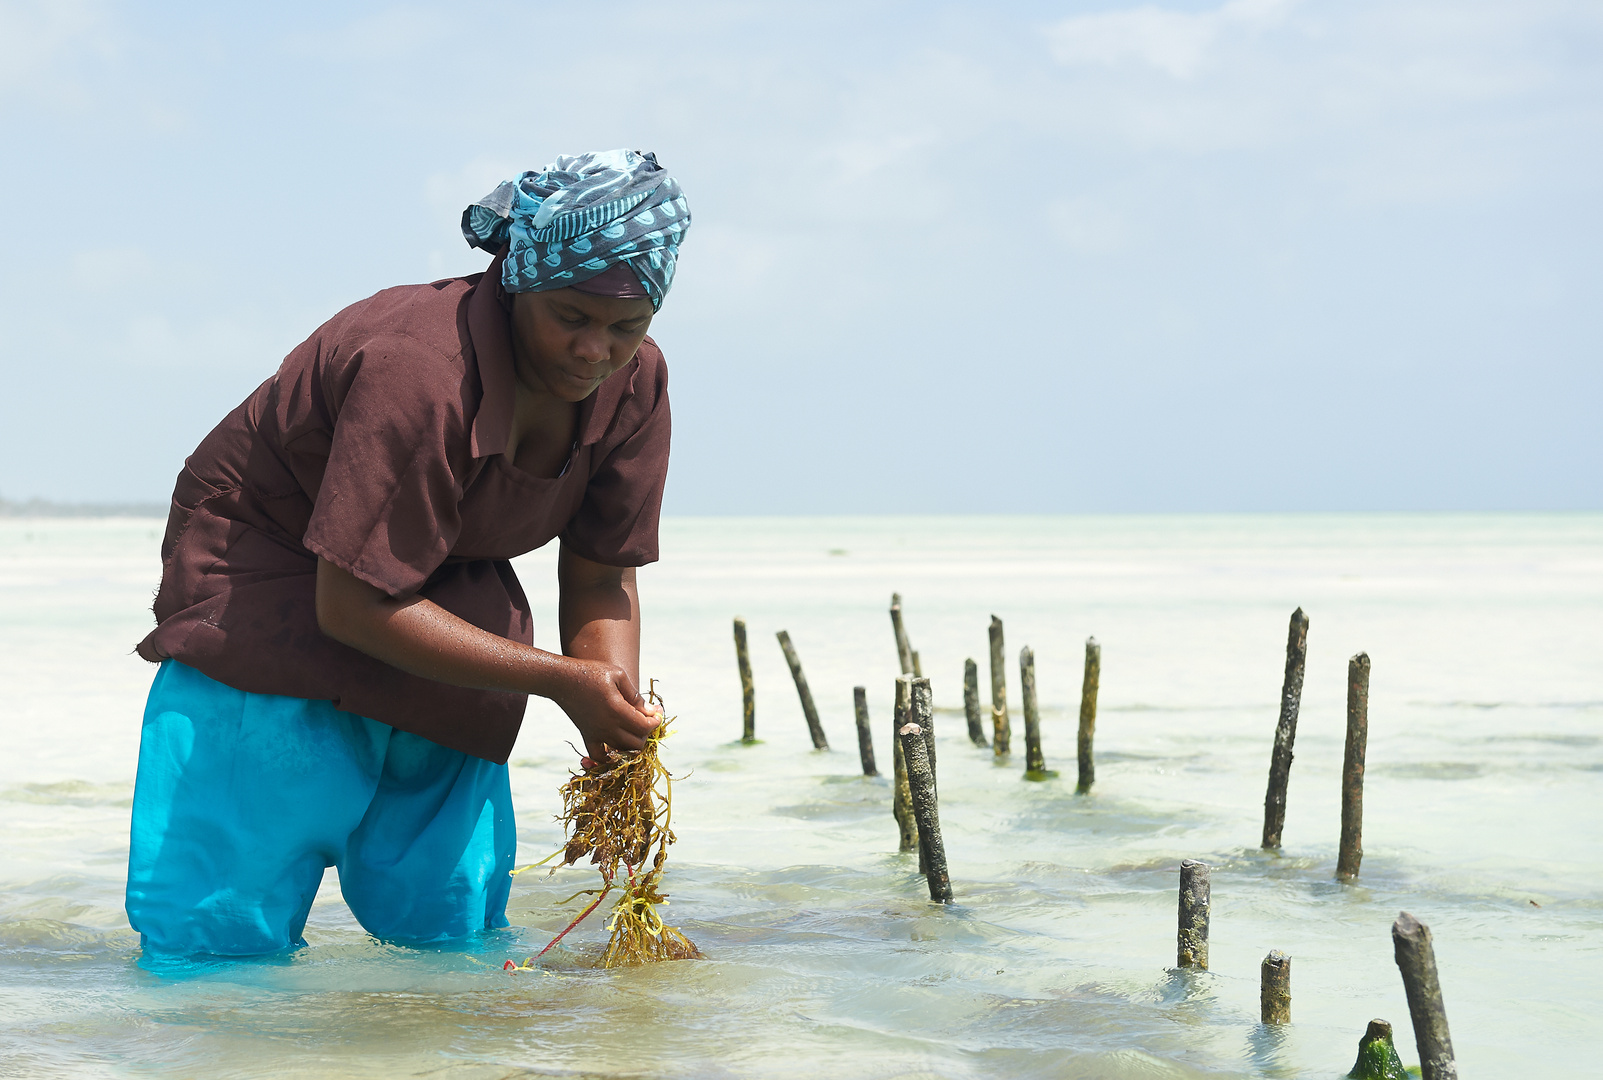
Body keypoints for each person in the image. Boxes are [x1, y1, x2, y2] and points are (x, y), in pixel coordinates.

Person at [125, 149, 692, 956]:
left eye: (625, 328)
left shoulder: (637, 383)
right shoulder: (419, 367)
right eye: (571, 318)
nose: (594, 352)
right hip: (272, 589)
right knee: (219, 942)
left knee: (451, 943)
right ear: (518, 283)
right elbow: (352, 604)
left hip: (445, 591)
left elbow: (602, 573)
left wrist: (613, 719)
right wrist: (564, 682)